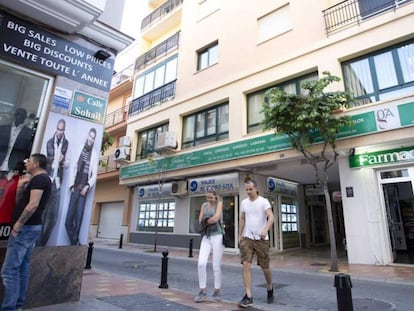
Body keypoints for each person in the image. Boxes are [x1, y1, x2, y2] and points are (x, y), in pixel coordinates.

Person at [1, 153, 52, 311]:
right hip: (29, 228)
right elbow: (22, 201)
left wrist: (18, 224)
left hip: (25, 228)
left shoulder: (40, 179)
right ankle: (18, 305)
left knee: (9, 270)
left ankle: (9, 308)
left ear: (36, 164)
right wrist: (22, 187)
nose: (26, 164)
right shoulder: (36, 180)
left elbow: (33, 205)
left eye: (29, 161)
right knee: (22, 266)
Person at [238, 179, 275, 308]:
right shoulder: (244, 203)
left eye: (250, 189)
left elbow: (271, 217)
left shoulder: (263, 202)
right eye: (246, 189)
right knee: (246, 264)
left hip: (261, 239)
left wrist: (265, 229)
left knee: (265, 267)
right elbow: (242, 219)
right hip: (247, 238)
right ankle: (248, 296)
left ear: (256, 189)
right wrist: (239, 234)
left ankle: (269, 286)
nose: (248, 192)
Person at [38, 119, 69, 246]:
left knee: (53, 218)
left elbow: (66, 163)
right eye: (59, 129)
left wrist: (63, 161)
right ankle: (37, 244)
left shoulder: (66, 143)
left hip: (57, 183)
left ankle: (41, 243)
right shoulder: (50, 142)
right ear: (56, 129)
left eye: (62, 130)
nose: (60, 132)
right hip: (48, 181)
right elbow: (47, 160)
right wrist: (57, 158)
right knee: (43, 215)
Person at [65, 127, 98, 245]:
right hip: (75, 188)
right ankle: (76, 243)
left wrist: (87, 186)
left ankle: (75, 245)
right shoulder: (79, 148)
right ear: (87, 136)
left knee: (78, 222)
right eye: (90, 136)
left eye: (93, 138)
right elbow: (73, 167)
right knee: (68, 222)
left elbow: (94, 174)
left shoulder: (94, 154)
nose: (90, 139)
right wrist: (71, 186)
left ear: (94, 140)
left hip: (83, 191)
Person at [194, 189, 225, 303]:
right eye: (207, 197)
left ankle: (217, 291)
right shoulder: (204, 205)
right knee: (201, 263)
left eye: (211, 197)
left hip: (217, 236)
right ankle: (202, 291)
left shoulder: (219, 204)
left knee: (216, 265)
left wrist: (206, 220)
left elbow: (216, 218)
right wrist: (207, 220)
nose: (209, 200)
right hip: (206, 236)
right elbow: (200, 219)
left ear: (216, 196)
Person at [0, 108, 33, 172]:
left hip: (14, 166)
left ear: (25, 117)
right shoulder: (2, 129)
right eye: (18, 114)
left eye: (22, 115)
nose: (19, 117)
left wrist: (21, 165)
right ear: (14, 115)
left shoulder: (29, 133)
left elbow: (28, 151)